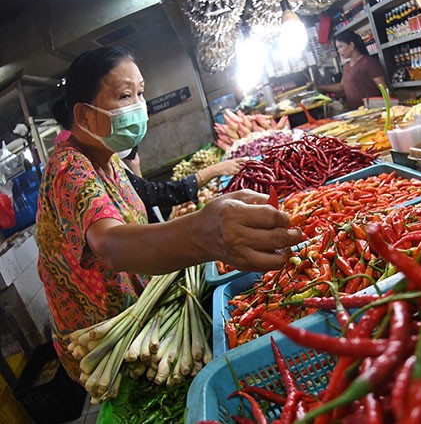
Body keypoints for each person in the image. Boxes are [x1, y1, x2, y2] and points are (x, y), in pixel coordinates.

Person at [37, 46, 302, 381]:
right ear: (84, 115)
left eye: (140, 93)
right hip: (104, 342)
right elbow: (109, 245)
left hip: (142, 322)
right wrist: (204, 233)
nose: (138, 106)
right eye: (124, 95)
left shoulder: (109, 160)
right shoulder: (69, 169)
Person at [118, 146, 247, 223]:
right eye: (124, 98)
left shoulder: (118, 164)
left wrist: (134, 165)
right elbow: (158, 193)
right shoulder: (107, 174)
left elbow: (143, 191)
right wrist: (214, 170)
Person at [317, 30, 388, 110]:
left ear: (351, 45)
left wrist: (389, 109)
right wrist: (319, 86)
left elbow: (384, 88)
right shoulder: (346, 66)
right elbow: (341, 86)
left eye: (340, 47)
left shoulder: (368, 62)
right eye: (337, 48)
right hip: (355, 111)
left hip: (372, 110)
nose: (339, 51)